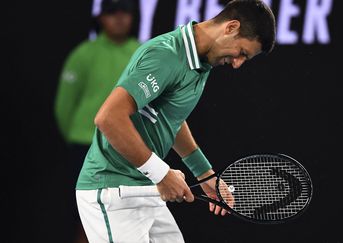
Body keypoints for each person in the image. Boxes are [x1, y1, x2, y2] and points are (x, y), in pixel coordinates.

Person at [75, 0, 276, 242]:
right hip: (113, 191)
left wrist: (204, 174)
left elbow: (171, 117)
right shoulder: (166, 55)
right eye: (242, 53)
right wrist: (161, 174)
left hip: (145, 188)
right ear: (231, 27)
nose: (237, 64)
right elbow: (108, 118)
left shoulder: (202, 63)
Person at [54, 0, 140, 242]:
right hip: (85, 146)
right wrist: (78, 135)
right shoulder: (84, 54)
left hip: (126, 149)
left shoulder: (140, 53)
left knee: (124, 217)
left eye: (125, 11)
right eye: (112, 12)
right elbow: (64, 106)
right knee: (86, 215)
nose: (119, 17)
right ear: (101, 17)